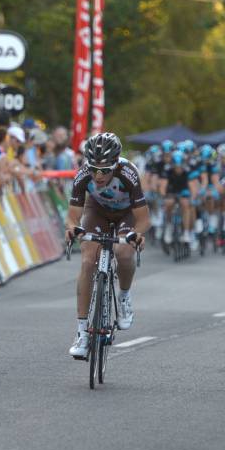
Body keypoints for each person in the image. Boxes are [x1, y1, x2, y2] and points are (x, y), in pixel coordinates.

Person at [65, 133, 149, 359]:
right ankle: (82, 333)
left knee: (123, 252)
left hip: (126, 214)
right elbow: (73, 215)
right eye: (94, 168)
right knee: (87, 260)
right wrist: (72, 228)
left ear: (115, 164)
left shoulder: (128, 173)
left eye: (104, 170)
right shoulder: (83, 174)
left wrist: (137, 235)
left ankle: (123, 296)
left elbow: (143, 218)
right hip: (97, 211)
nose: (98, 175)